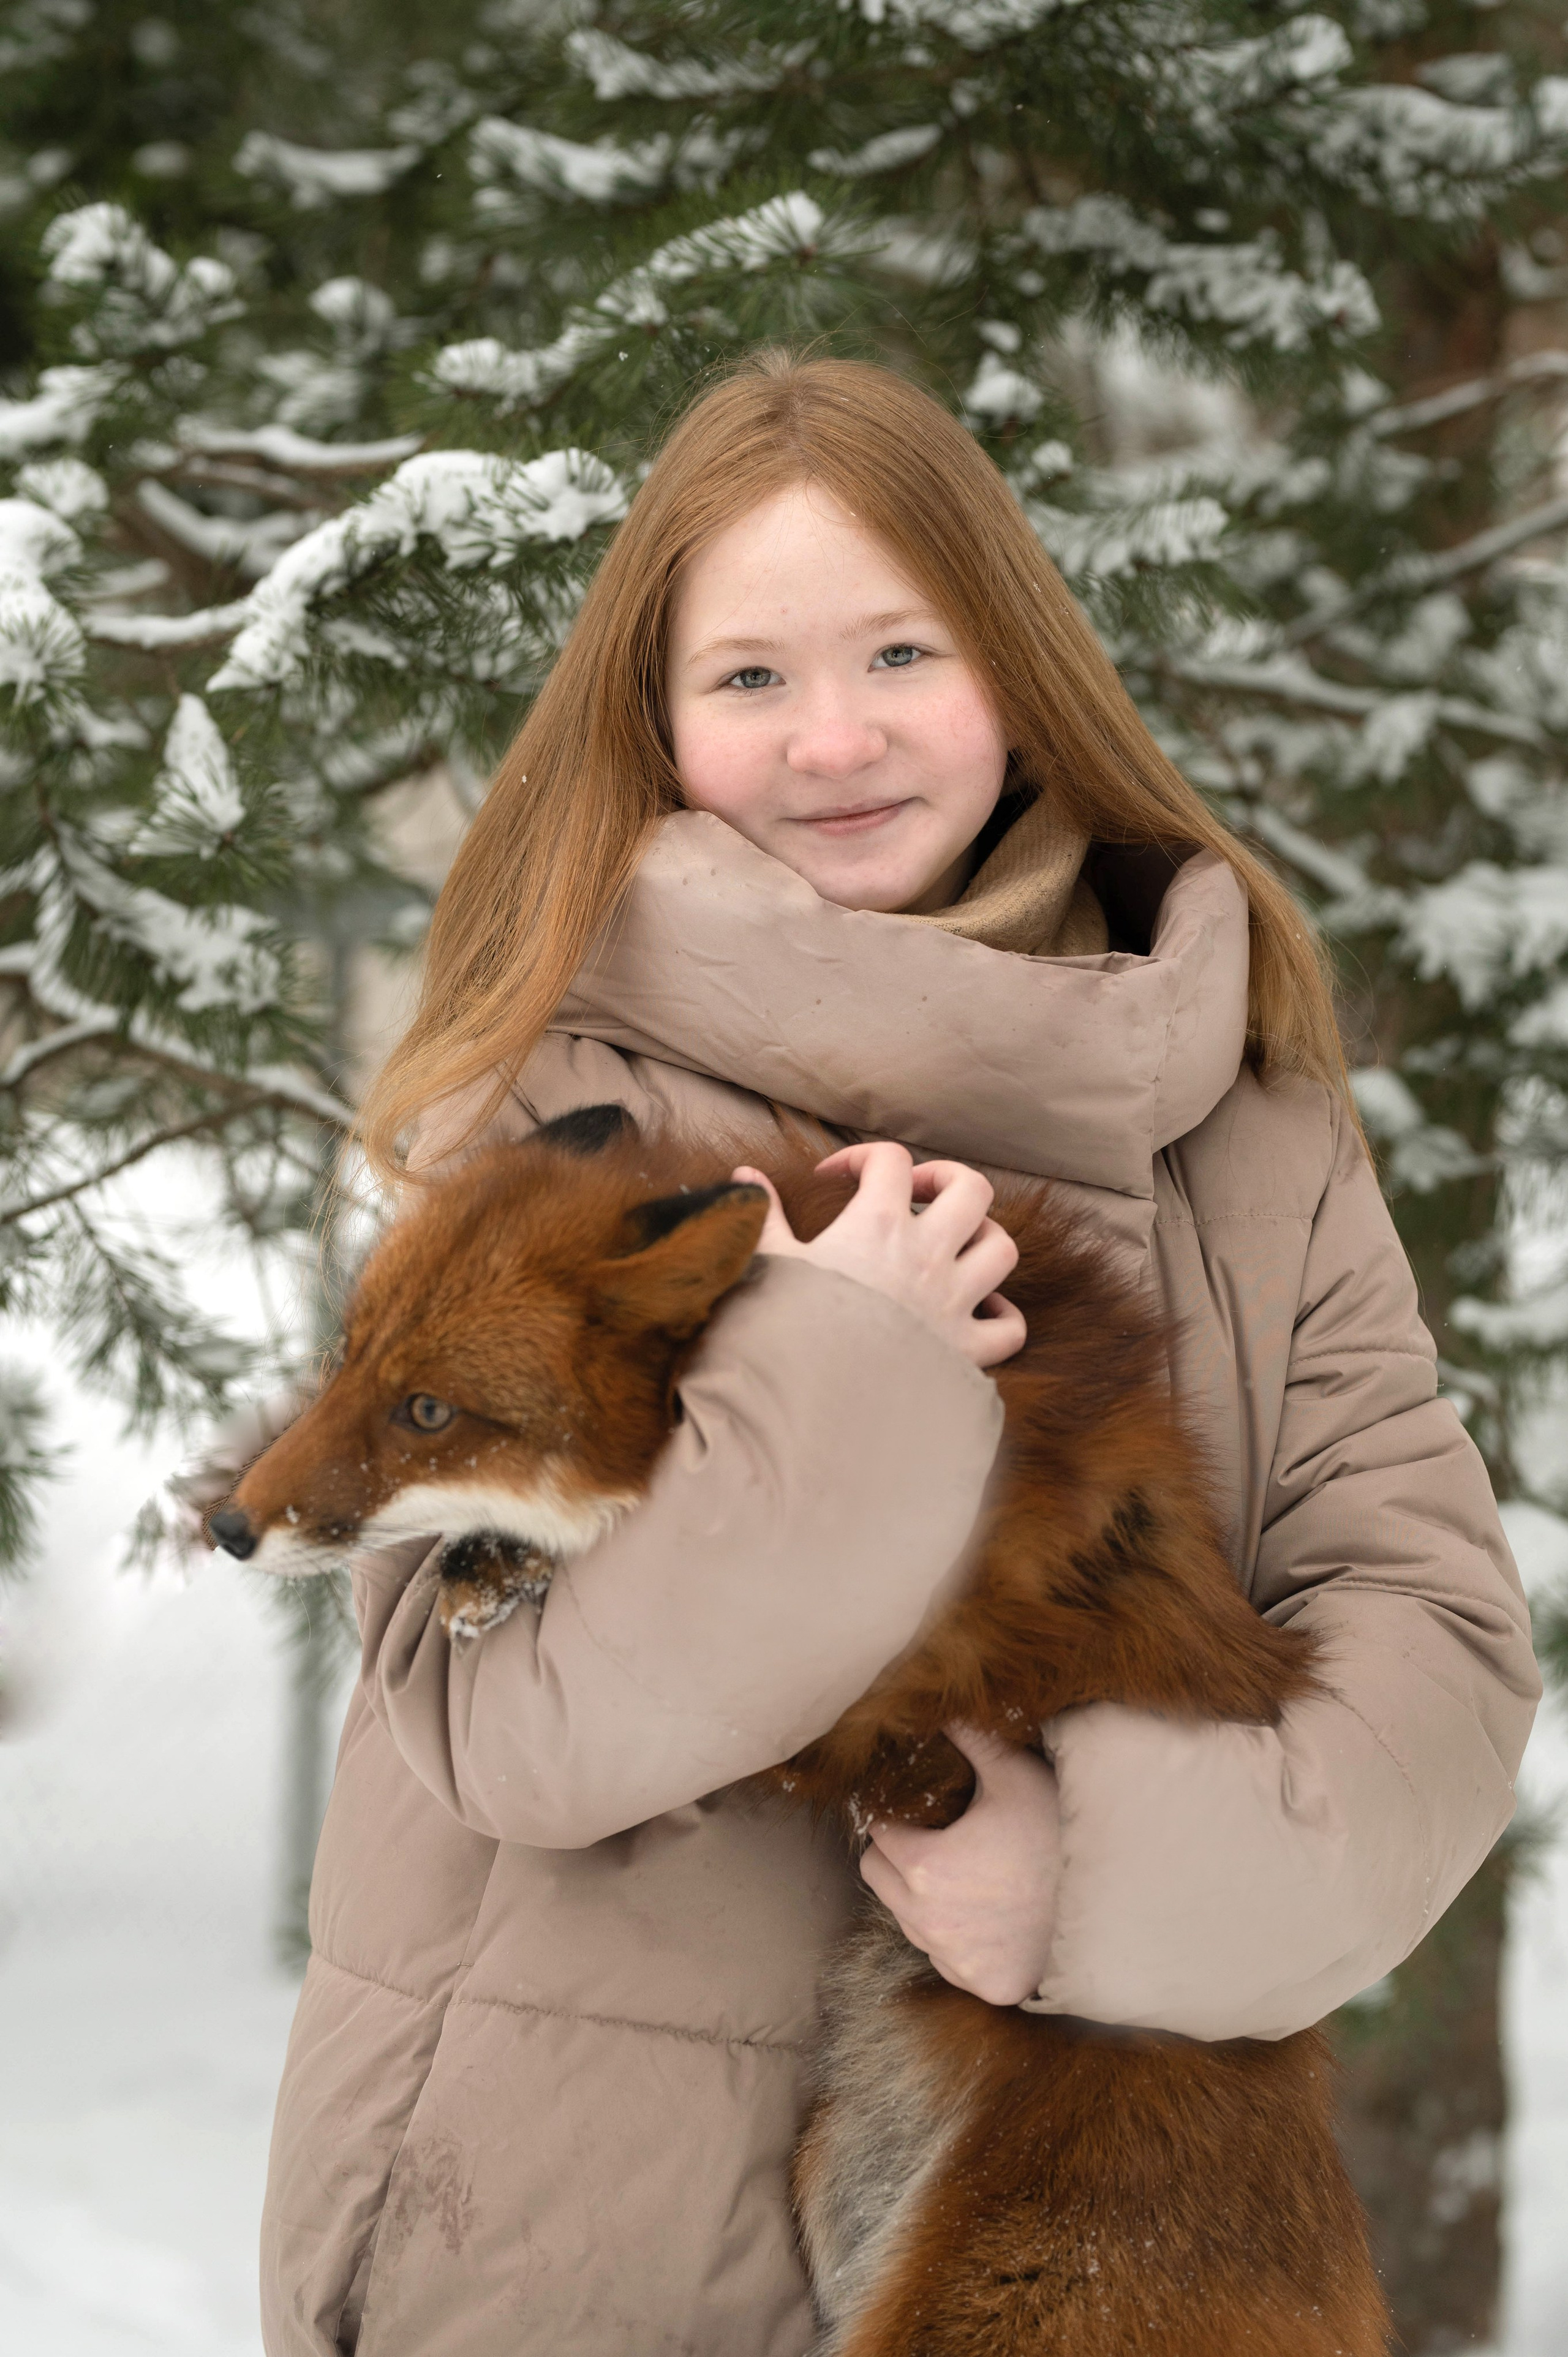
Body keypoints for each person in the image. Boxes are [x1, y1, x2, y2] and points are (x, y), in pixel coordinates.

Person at [258, 354, 1539, 2357]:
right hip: (570, 2261)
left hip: (1097, 2236)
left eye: (898, 653)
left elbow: (1432, 1647)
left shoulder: (1244, 1118)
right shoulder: (555, 1108)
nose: (832, 738)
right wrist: (841, 1374)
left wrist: (1103, 1883)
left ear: (1015, 670)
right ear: (659, 721)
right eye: (749, 677)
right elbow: (513, 1731)